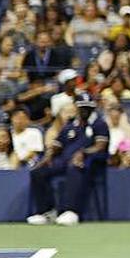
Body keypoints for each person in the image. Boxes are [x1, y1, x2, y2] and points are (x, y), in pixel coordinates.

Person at [27, 93, 109, 226]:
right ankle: (47, 212)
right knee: (38, 171)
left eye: (88, 108)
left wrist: (83, 152)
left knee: (74, 167)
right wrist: (48, 155)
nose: (85, 111)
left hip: (89, 162)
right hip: (64, 159)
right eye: (82, 107)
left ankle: (71, 211)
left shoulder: (99, 124)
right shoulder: (70, 125)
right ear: (77, 107)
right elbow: (57, 144)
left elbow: (100, 146)